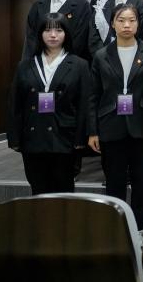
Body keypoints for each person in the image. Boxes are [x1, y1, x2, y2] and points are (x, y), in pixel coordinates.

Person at [87, 3, 143, 230]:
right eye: (121, 20)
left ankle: (141, 230)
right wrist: (93, 131)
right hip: (111, 126)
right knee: (114, 182)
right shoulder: (101, 55)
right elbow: (93, 95)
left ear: (139, 23)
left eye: (132, 20)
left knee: (141, 183)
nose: (127, 25)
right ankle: (116, 230)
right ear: (113, 23)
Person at [8, 13, 92, 194]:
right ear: (40, 34)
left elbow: (84, 104)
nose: (53, 35)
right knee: (38, 190)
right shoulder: (25, 65)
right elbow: (16, 104)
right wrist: (14, 137)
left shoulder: (80, 65)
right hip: (33, 137)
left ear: (66, 34)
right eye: (47, 30)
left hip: (64, 137)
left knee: (64, 191)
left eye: (58, 30)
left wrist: (80, 139)